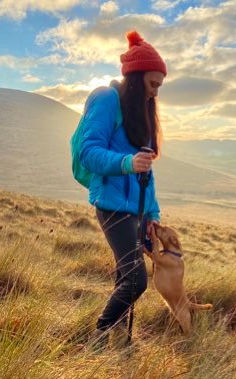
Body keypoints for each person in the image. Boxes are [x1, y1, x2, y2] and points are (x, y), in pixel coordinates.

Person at [79, 30, 166, 350]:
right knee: (136, 280)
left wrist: (153, 214)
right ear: (136, 76)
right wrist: (128, 163)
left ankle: (117, 341)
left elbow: (148, 169)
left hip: (139, 209)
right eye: (153, 83)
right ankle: (98, 336)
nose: (156, 92)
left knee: (124, 276)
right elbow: (89, 152)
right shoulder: (106, 100)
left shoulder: (142, 109)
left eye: (160, 86)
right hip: (111, 203)